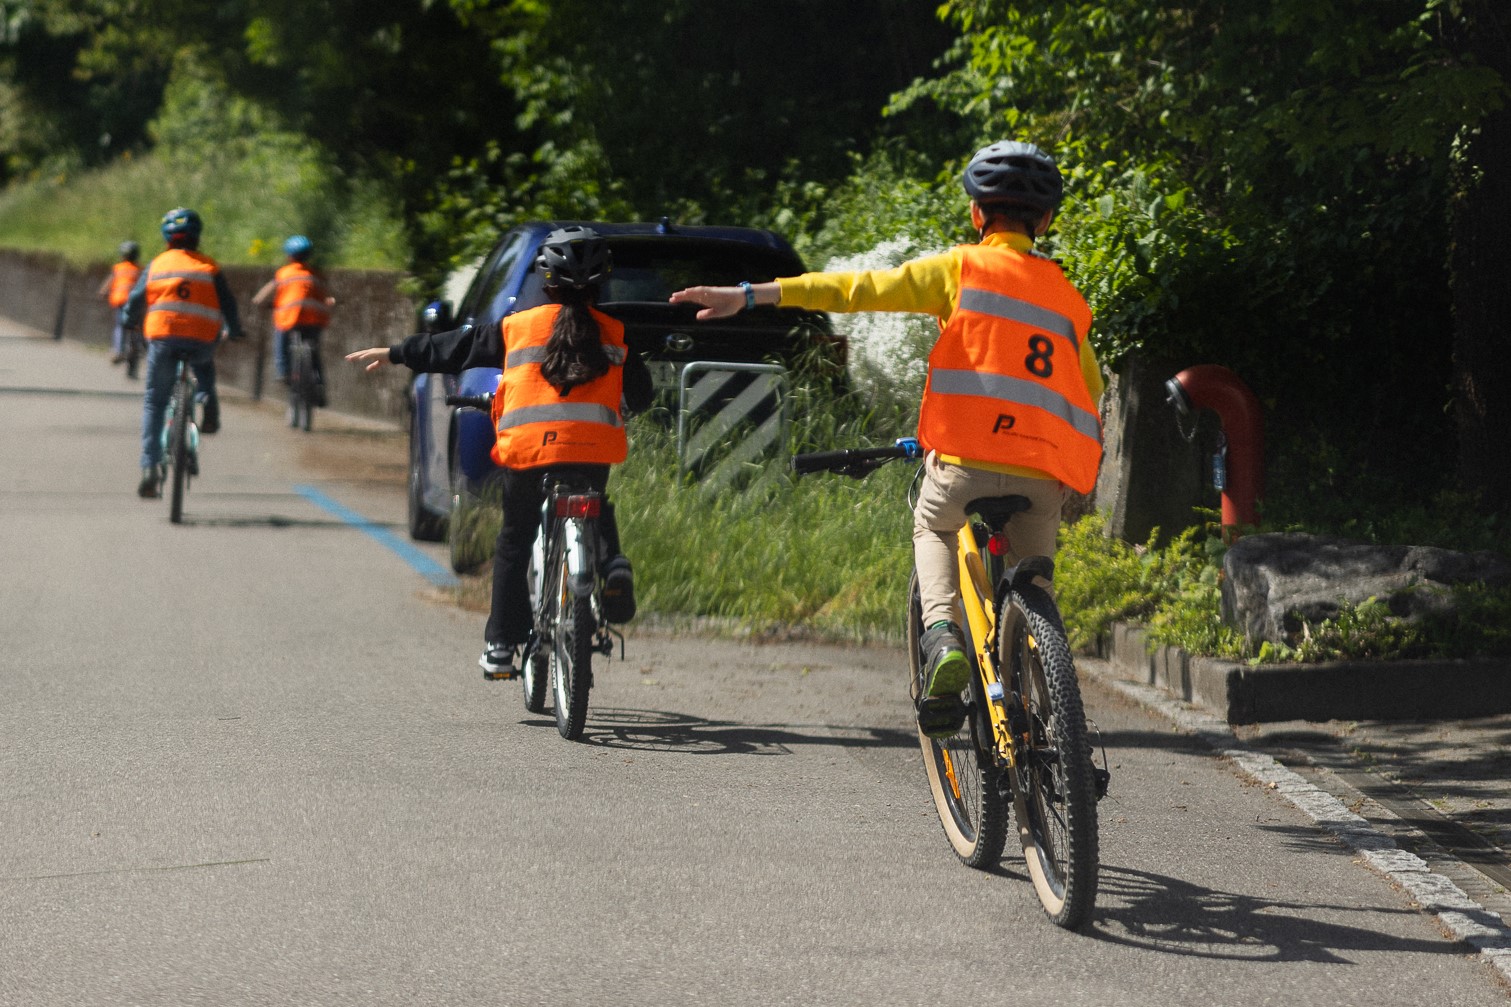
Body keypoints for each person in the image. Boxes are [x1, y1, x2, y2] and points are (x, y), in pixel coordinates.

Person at [670, 141, 1105, 738]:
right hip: (1039, 479)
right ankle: (1042, 712)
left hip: (960, 467)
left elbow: (855, 289)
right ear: (1046, 220)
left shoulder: (958, 270)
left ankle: (942, 635)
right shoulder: (1067, 298)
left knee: (934, 525)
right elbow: (1091, 385)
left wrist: (749, 295)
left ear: (978, 214)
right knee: (1032, 582)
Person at [347, 226, 650, 677]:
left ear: (545, 282)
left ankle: (501, 646)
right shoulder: (617, 333)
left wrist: (397, 353)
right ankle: (613, 562)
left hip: (528, 454)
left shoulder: (516, 328)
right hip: (592, 451)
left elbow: (455, 347)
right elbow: (641, 395)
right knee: (595, 501)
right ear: (601, 283)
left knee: (515, 538)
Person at [122, 207, 244, 498]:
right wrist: (236, 330)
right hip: (202, 341)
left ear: (167, 237)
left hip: (163, 339)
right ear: (197, 237)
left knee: (155, 402)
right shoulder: (210, 267)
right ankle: (208, 404)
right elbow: (228, 304)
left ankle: (150, 468)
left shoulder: (157, 264)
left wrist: (128, 321)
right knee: (203, 365)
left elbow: (136, 299)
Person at [251, 234, 335, 400]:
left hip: (290, 318)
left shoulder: (284, 273)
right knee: (314, 352)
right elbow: (329, 296)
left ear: (289, 255)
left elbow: (261, 297)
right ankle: (319, 386)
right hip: (314, 320)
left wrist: (260, 302)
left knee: (281, 340)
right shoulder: (316, 274)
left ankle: (283, 371)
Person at [97, 240, 141, 372]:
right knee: (135, 328)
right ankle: (134, 350)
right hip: (136, 302)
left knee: (120, 326)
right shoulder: (140, 269)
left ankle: (119, 351)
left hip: (121, 301)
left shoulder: (118, 268)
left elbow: (108, 284)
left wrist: (103, 292)